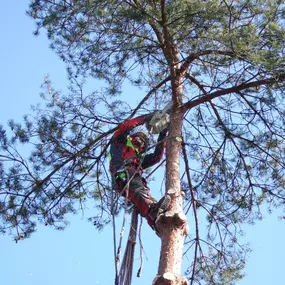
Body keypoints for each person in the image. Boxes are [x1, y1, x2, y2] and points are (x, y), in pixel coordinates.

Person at [109, 113, 170, 230]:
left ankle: (158, 223)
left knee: (142, 193)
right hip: (122, 175)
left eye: (144, 143)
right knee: (138, 188)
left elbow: (156, 157)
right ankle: (154, 211)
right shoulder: (119, 144)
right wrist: (146, 118)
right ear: (131, 137)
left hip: (131, 179)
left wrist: (163, 133)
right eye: (139, 138)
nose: (141, 142)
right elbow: (125, 127)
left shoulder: (139, 159)